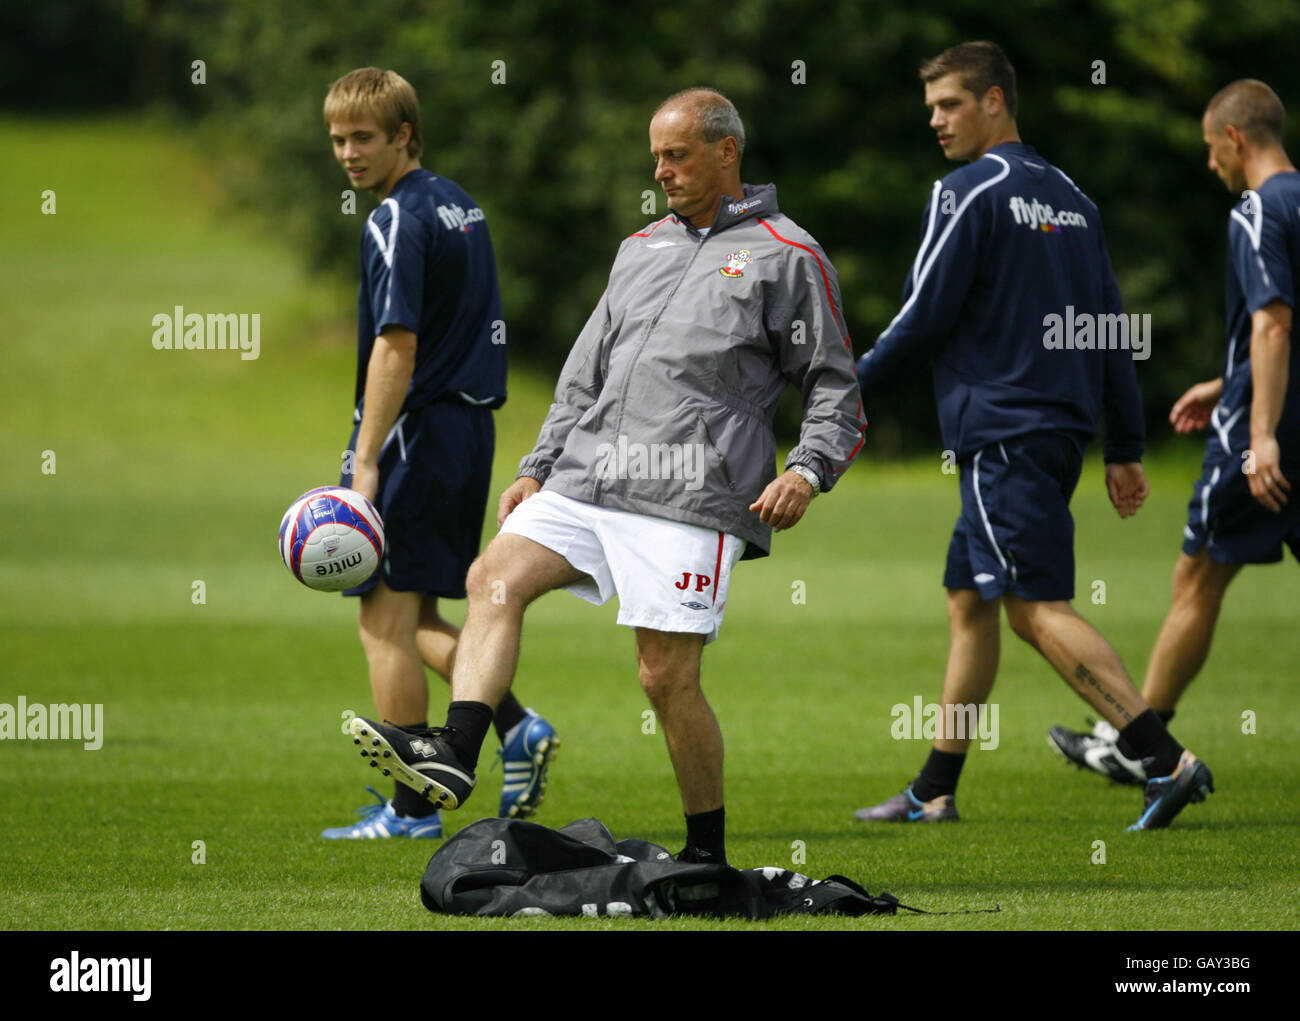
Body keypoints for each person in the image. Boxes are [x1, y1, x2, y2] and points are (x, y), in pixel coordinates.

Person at [346, 87, 866, 863]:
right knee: (493, 575)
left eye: (678, 155)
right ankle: (456, 750)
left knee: (663, 678)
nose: (661, 172)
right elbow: (582, 376)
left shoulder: (788, 255)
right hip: (588, 479)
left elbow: (835, 386)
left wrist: (809, 469)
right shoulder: (639, 246)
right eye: (655, 156)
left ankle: (706, 855)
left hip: (693, 494)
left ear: (727, 152)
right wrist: (537, 468)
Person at [853, 41, 1212, 831]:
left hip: (1001, 434)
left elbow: (922, 316)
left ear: (994, 100)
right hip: (1055, 434)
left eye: (949, 104)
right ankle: (934, 788)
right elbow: (1110, 328)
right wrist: (1124, 444)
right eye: (931, 110)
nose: (937, 122)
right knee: (969, 602)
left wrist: (844, 389)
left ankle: (1162, 756)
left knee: (1029, 605)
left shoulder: (967, 192)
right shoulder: (1074, 199)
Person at [319, 67, 558, 840]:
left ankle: (412, 806)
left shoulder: (394, 217)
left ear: (403, 137)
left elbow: (397, 345)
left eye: (363, 138)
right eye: (337, 140)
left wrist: (364, 459)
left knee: (380, 617)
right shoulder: (462, 204)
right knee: (416, 607)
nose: (349, 153)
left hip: (418, 430)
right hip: (468, 429)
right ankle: (513, 724)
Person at [1050, 79, 1299, 783]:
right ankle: (1132, 737)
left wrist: (1260, 432)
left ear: (1236, 139)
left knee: (1197, 575)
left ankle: (1133, 743)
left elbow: (1275, 322)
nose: (1209, 164)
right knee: (1205, 575)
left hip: (1267, 434)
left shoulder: (1257, 211)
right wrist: (1227, 378)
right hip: (1277, 408)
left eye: (1209, 148)